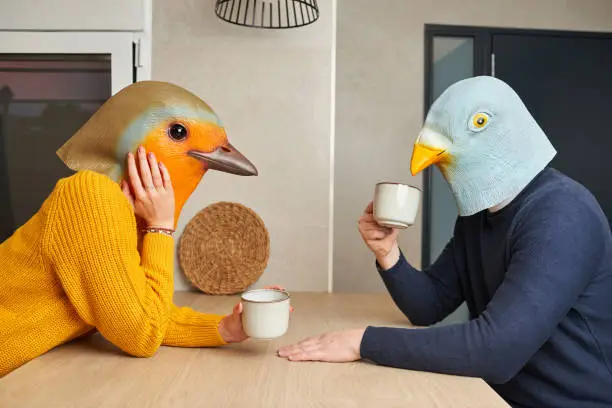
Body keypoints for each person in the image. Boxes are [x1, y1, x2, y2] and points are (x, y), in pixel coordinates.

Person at [278, 76, 612, 408]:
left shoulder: (563, 214)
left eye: (479, 122)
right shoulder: (477, 218)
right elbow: (430, 304)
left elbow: (498, 350)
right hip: (491, 395)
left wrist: (362, 342)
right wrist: (388, 253)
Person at [0, 81, 283, 377]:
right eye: (177, 133)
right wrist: (162, 227)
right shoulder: (91, 195)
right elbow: (141, 334)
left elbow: (142, 307)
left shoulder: (125, 211)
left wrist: (224, 329)